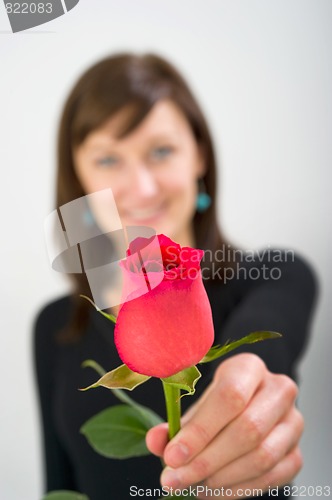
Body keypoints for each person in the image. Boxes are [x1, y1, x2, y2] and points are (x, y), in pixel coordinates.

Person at [34, 53, 317, 500]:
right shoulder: (55, 328)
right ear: (80, 178)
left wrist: (247, 379)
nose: (143, 187)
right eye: (108, 160)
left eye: (161, 151)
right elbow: (57, 488)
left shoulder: (276, 276)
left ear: (199, 154)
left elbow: (263, 357)